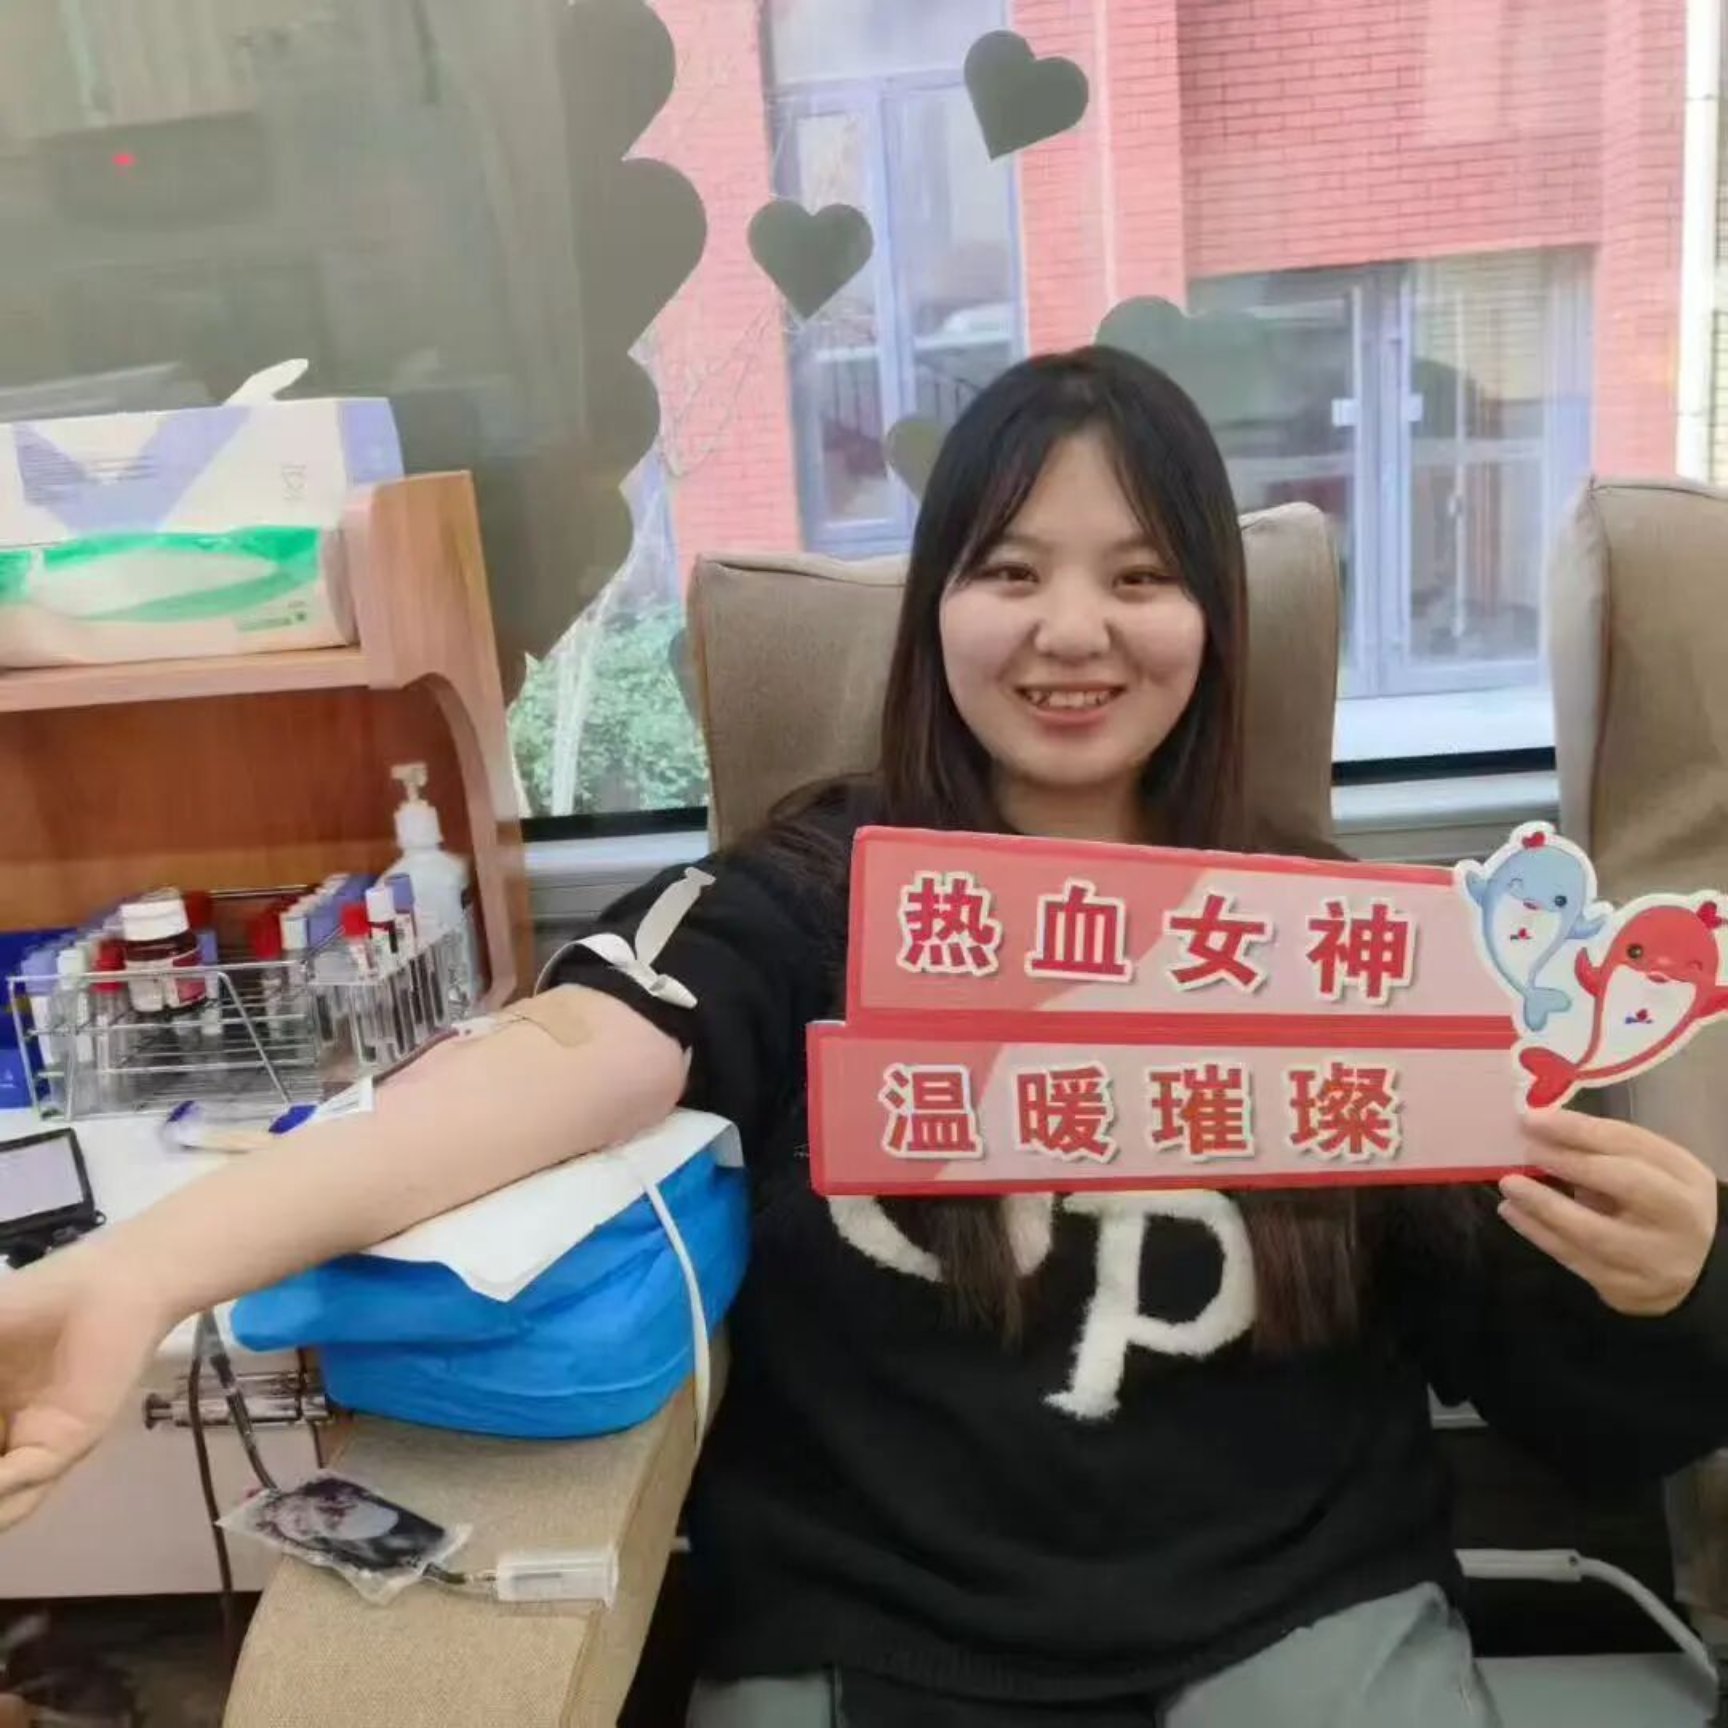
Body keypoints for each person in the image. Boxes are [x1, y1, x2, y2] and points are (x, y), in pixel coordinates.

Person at [1, 349, 1724, 1727]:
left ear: (1211, 619)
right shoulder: (805, 901)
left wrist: (1679, 1281)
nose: (1072, 631)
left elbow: (1571, 1400)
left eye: (1140, 576)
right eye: (1010, 570)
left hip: (1304, 1623)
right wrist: (136, 1276)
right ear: (936, 611)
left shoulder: (1350, 946)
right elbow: (560, 1061)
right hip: (880, 1638)